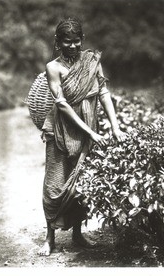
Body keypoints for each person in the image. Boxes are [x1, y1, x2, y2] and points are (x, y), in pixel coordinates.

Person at [38, 17, 126, 256]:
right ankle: (49, 238)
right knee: (56, 183)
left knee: (81, 183)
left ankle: (78, 234)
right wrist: (91, 133)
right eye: (67, 42)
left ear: (82, 39)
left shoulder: (92, 61)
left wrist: (115, 126)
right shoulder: (53, 67)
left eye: (77, 41)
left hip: (89, 125)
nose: (73, 46)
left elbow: (104, 92)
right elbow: (62, 104)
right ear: (58, 42)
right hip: (61, 130)